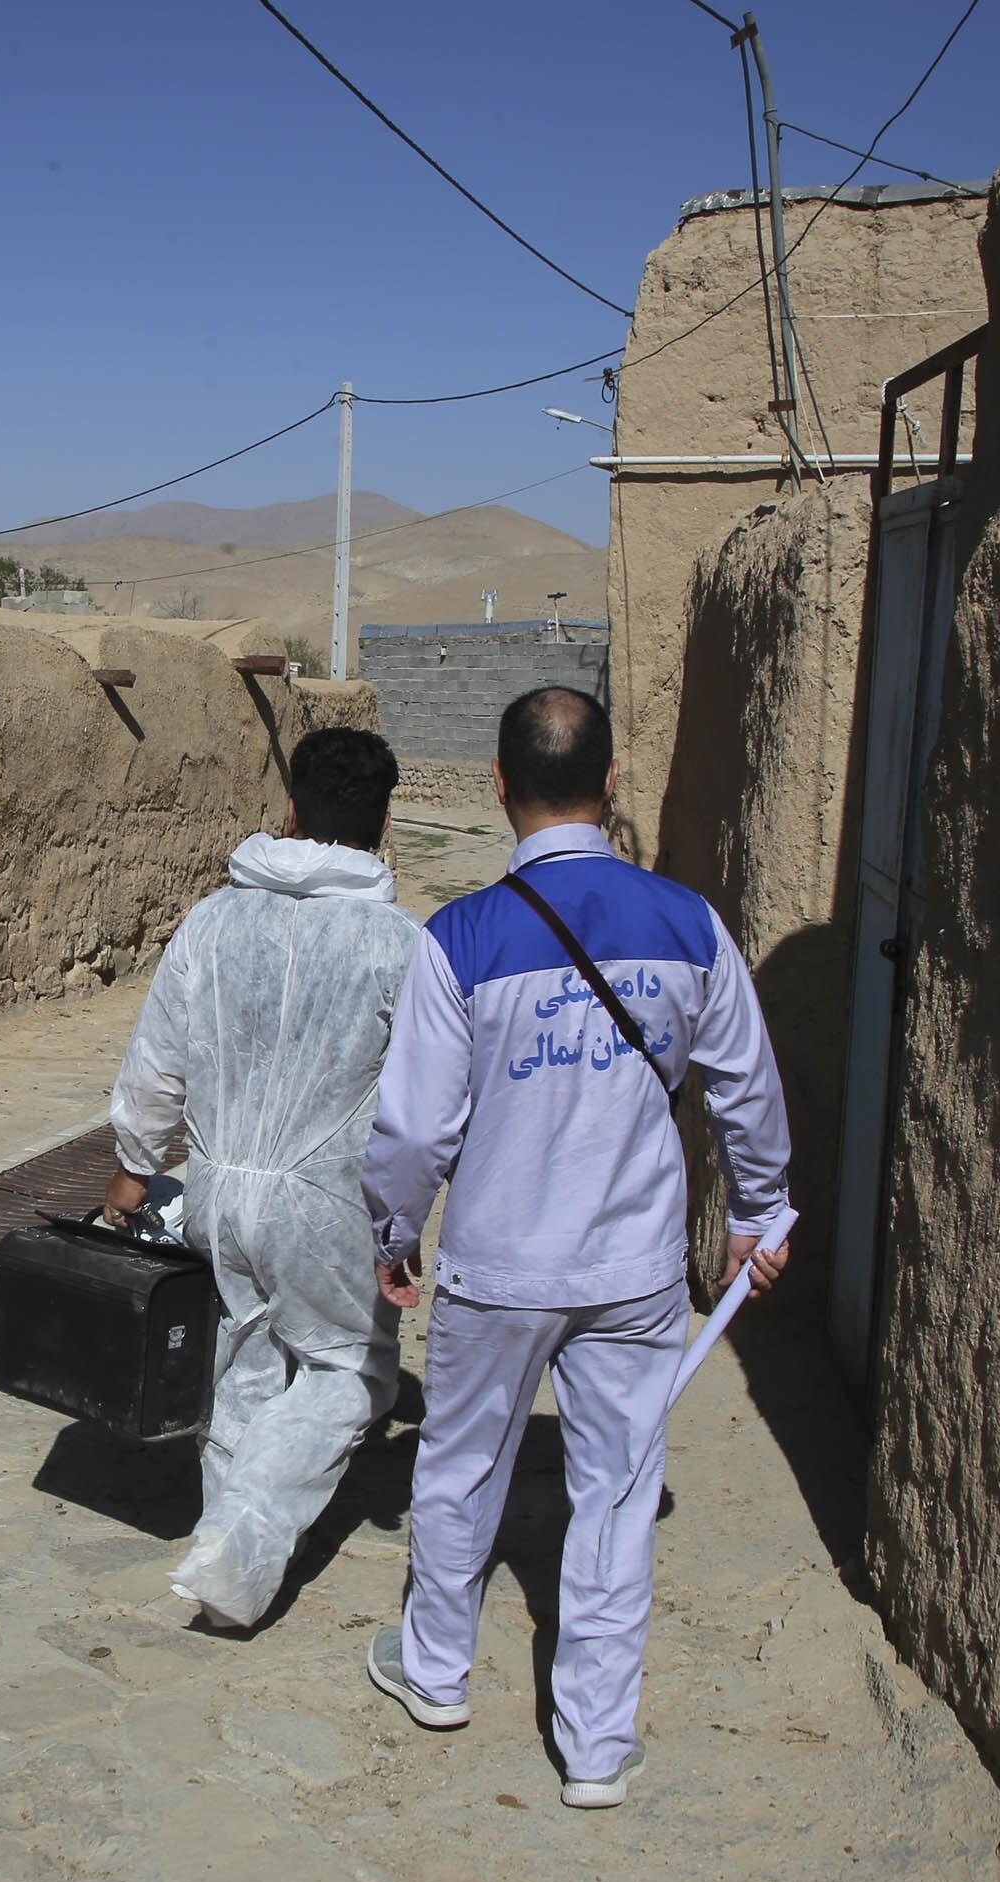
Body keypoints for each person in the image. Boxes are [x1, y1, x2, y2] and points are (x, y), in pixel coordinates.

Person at [358, 685, 792, 1807]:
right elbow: (747, 1088)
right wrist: (758, 1212)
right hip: (633, 1271)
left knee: (459, 1464)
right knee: (618, 1490)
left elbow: (414, 1128)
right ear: (611, 781)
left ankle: (436, 1670)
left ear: (499, 783)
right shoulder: (689, 925)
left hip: (498, 1266)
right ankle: (596, 1742)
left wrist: (394, 1232)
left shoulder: (458, 939)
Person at [104, 726, 422, 1632]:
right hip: (326, 1205)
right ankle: (235, 1550)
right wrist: (405, 1220)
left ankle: (223, 1563)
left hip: (218, 1188)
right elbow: (425, 1103)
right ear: (384, 822)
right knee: (350, 1370)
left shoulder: (213, 920)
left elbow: (157, 1060)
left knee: (243, 1363)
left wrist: (133, 1169)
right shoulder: (397, 944)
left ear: (289, 811)